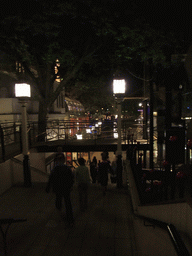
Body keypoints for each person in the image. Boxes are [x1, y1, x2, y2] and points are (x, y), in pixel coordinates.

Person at [46, 154, 74, 227]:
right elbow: (71, 178)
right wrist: (70, 186)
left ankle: (60, 214)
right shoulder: (67, 168)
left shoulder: (55, 169)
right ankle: (70, 219)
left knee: (58, 200)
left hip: (57, 188)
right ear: (64, 160)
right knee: (67, 202)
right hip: (66, 188)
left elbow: (51, 179)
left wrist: (48, 188)